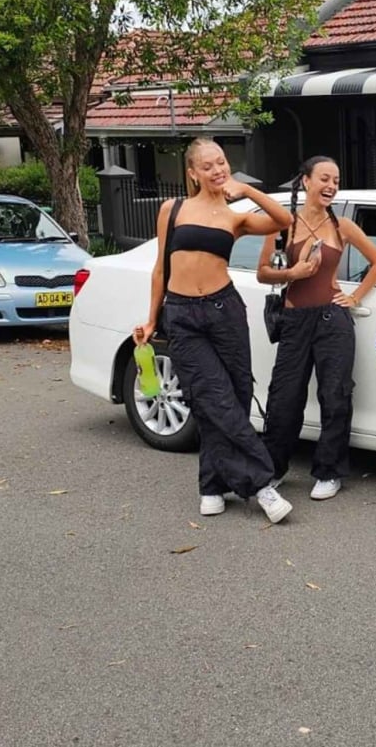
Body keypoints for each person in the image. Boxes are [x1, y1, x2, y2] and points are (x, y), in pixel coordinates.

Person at [132, 138, 295, 523]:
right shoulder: (172, 210)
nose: (218, 170)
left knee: (235, 397)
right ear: (192, 173)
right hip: (183, 314)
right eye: (208, 166)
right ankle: (261, 484)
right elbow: (160, 269)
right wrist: (152, 318)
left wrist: (250, 190)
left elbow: (284, 220)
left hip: (225, 311)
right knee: (212, 397)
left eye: (221, 162)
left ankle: (211, 485)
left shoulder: (234, 215)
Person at [256, 156, 376, 500]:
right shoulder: (284, 224)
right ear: (306, 182)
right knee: (284, 397)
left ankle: (329, 471)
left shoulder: (342, 225)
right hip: (294, 320)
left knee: (335, 395)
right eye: (324, 179)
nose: (331, 186)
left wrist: (355, 297)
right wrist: (292, 274)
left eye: (336, 181)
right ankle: (274, 469)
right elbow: (263, 273)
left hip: (333, 320)